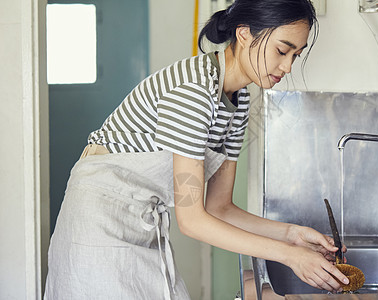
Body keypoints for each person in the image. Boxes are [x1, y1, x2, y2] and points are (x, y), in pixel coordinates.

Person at [44, 0, 349, 299]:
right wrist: (289, 256)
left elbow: (219, 207)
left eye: (295, 55)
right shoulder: (194, 92)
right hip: (99, 222)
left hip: (141, 221)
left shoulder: (239, 103)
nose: (287, 66)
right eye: (281, 50)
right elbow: (191, 220)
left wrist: (292, 236)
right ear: (244, 34)